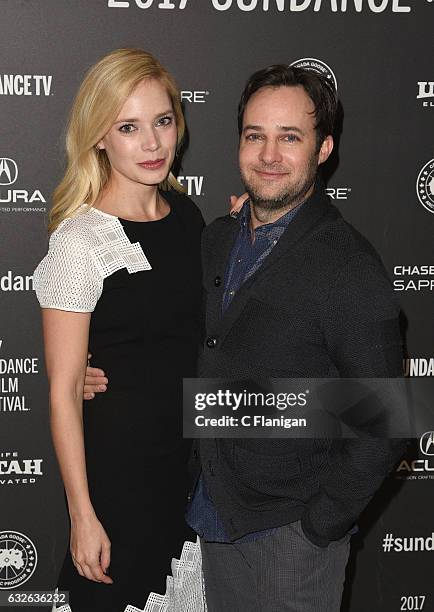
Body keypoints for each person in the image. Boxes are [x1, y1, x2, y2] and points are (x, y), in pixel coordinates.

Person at [85, 65, 407, 611]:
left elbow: (386, 419)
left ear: (323, 148)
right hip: (212, 516)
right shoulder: (215, 240)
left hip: (293, 534)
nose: (269, 155)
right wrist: (96, 369)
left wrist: (318, 525)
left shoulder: (347, 264)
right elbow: (180, 336)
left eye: (290, 137)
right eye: (255, 135)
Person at [33, 48, 206, 612]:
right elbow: (63, 393)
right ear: (99, 138)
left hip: (191, 475)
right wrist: (82, 515)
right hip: (120, 481)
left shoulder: (189, 217)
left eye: (162, 121)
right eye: (128, 127)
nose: (153, 143)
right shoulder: (80, 242)